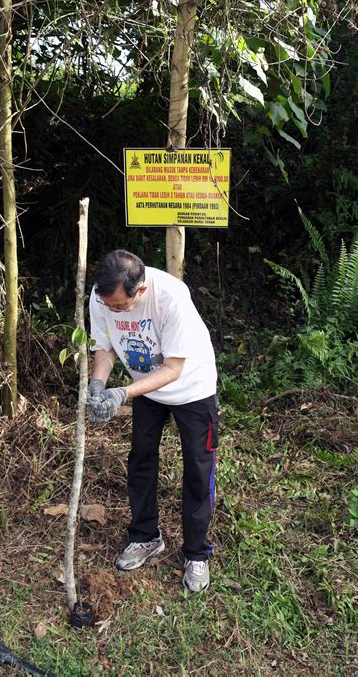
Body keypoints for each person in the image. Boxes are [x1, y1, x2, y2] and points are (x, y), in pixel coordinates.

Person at [87, 249, 218, 592]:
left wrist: (123, 394)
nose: (112, 310)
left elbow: (173, 368)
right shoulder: (101, 296)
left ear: (140, 291)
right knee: (141, 460)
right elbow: (105, 347)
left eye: (119, 306)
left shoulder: (172, 297)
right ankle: (145, 536)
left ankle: (196, 553)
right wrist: (99, 384)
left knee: (197, 469)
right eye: (108, 305)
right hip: (144, 386)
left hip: (192, 389)